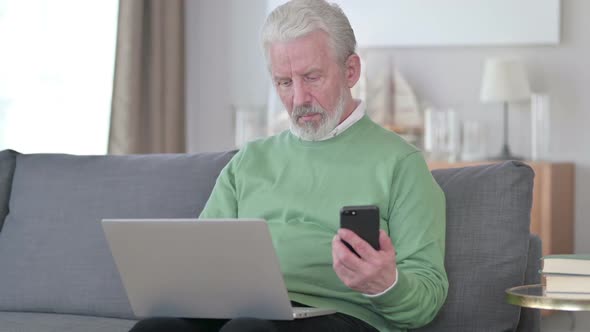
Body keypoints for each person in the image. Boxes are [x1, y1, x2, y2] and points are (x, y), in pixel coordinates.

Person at [129, 0, 447, 331]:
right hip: (244, 310)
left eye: (312, 77)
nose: (299, 98)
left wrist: (385, 282)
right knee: (155, 328)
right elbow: (201, 260)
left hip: (343, 316)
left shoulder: (401, 163)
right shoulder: (249, 161)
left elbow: (426, 301)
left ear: (351, 70)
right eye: (284, 82)